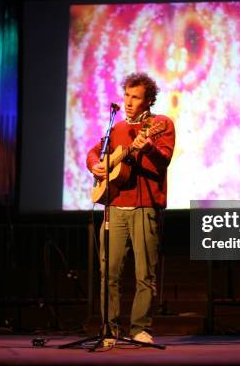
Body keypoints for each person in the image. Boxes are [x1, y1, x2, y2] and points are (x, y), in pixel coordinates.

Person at [86, 72, 175, 344]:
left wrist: (147, 148)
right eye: (126, 95)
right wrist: (96, 165)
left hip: (144, 208)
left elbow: (164, 161)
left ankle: (139, 328)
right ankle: (109, 329)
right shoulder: (117, 128)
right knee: (108, 274)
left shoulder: (161, 124)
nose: (128, 102)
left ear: (148, 100)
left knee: (144, 274)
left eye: (135, 97)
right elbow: (94, 153)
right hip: (114, 208)